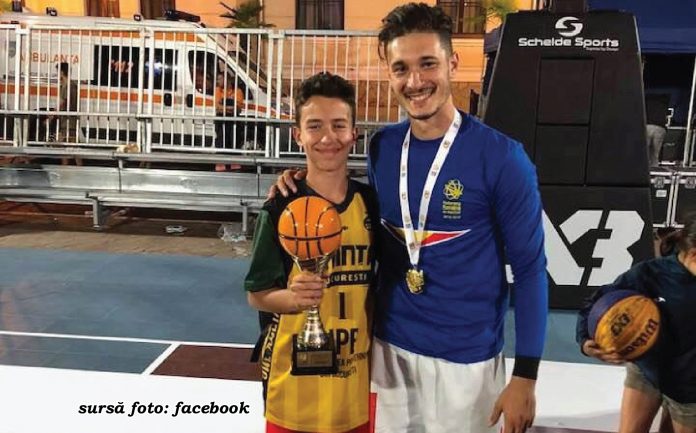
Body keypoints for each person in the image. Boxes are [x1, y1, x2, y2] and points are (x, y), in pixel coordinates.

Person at [271, 4, 548, 433]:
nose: (415, 81)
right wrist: (296, 182)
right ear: (389, 73)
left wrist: (525, 376)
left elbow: (530, 271)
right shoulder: (383, 148)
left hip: (467, 362)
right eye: (401, 68)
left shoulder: (503, 158)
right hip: (389, 352)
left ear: (452, 63)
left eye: (428, 64)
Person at [244, 72, 377, 433]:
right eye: (315, 126)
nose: (328, 137)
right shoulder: (279, 207)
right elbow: (256, 294)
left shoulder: (371, 203)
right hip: (292, 390)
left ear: (354, 133)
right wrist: (292, 298)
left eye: (339, 125)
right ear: (297, 134)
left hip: (355, 392)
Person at [576, 216, 696, 433]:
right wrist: (585, 341)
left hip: (689, 394)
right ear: (693, 255)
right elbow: (594, 303)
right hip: (646, 373)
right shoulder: (651, 273)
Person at [645, 93, 669, 167]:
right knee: (655, 155)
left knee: (644, 152)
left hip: (647, 126)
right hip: (660, 128)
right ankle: (654, 169)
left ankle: (643, 169)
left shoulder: (644, 103)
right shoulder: (663, 104)